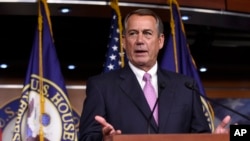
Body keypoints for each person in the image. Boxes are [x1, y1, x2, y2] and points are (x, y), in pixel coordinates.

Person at [79, 8, 231, 141]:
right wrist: (104, 139)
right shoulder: (101, 86)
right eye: (133, 33)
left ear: (160, 41)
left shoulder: (185, 86)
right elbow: (86, 137)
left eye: (147, 33)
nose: (140, 40)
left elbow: (200, 136)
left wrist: (216, 139)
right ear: (124, 42)